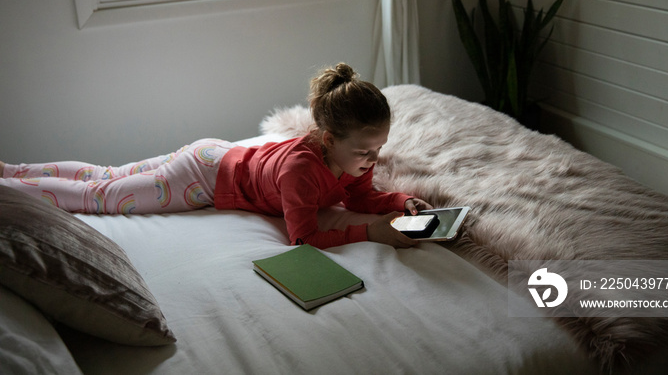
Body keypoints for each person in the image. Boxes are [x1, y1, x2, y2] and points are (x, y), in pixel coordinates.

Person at [0, 63, 432, 249]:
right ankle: (8, 185)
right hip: (201, 178)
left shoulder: (352, 163)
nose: (372, 161)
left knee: (107, 174)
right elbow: (302, 238)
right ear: (328, 136)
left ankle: (9, 168)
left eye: (378, 150)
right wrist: (371, 234)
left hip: (218, 153)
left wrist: (399, 203)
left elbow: (360, 199)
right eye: (364, 151)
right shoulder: (302, 170)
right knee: (100, 196)